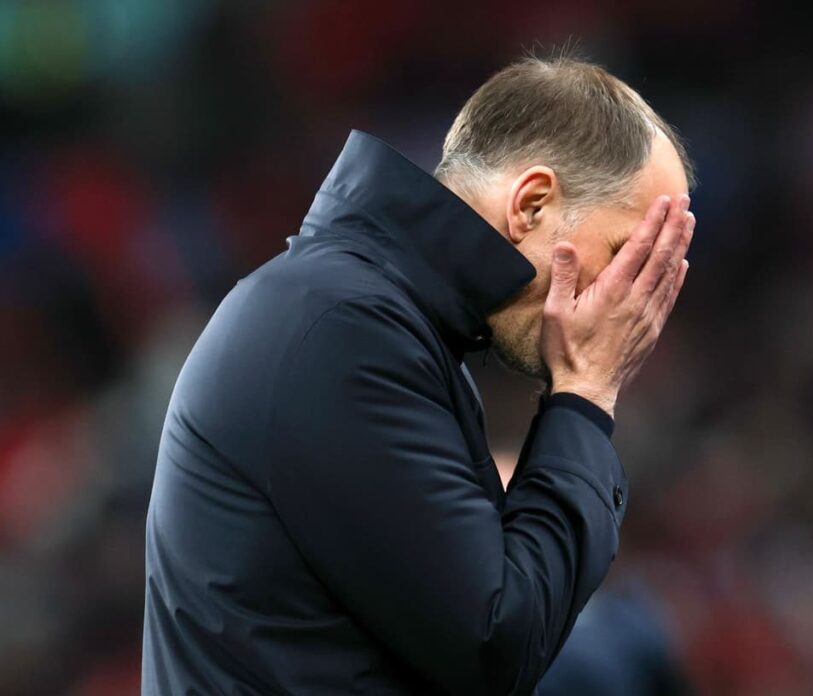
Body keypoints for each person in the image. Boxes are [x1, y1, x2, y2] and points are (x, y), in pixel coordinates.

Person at [142, 55, 695, 695]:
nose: (631, 299)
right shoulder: (345, 330)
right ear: (532, 203)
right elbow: (498, 642)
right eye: (626, 256)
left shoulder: (378, 322)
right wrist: (586, 393)